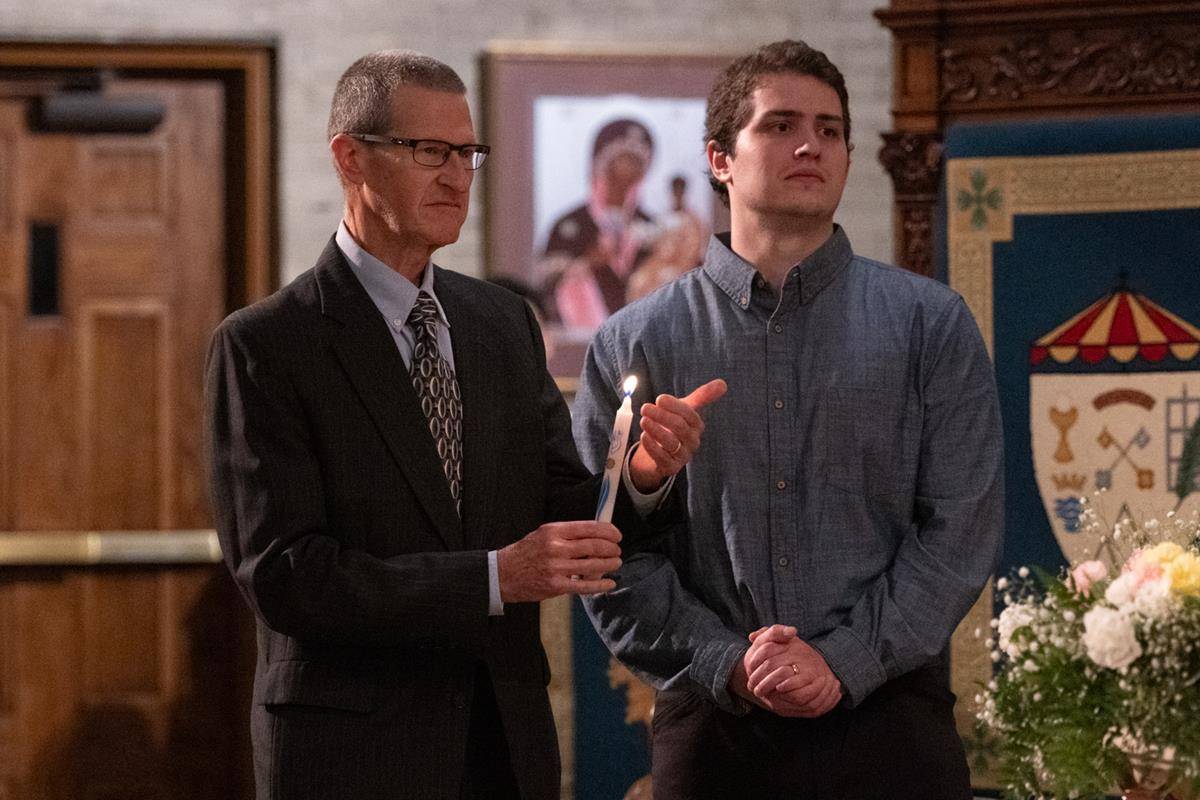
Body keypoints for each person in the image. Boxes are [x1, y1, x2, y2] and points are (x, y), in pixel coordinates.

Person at [204, 50, 721, 800]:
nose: (457, 177)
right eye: (428, 151)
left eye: (468, 153)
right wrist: (492, 578)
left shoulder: (500, 322)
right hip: (351, 752)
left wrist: (640, 475)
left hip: (501, 742)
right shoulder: (266, 345)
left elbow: (559, 506)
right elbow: (287, 576)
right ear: (350, 158)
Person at [572, 39, 1004, 800]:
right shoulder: (634, 343)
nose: (811, 145)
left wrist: (843, 660)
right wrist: (727, 661)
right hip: (714, 725)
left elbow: (960, 528)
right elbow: (603, 554)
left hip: (889, 718)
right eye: (780, 125)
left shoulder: (929, 325)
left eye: (830, 129)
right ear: (719, 159)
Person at [539, 117, 659, 329]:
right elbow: (544, 285)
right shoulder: (569, 225)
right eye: (621, 160)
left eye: (636, 162)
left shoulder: (652, 226)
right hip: (578, 340)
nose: (628, 169)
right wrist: (587, 263)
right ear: (600, 164)